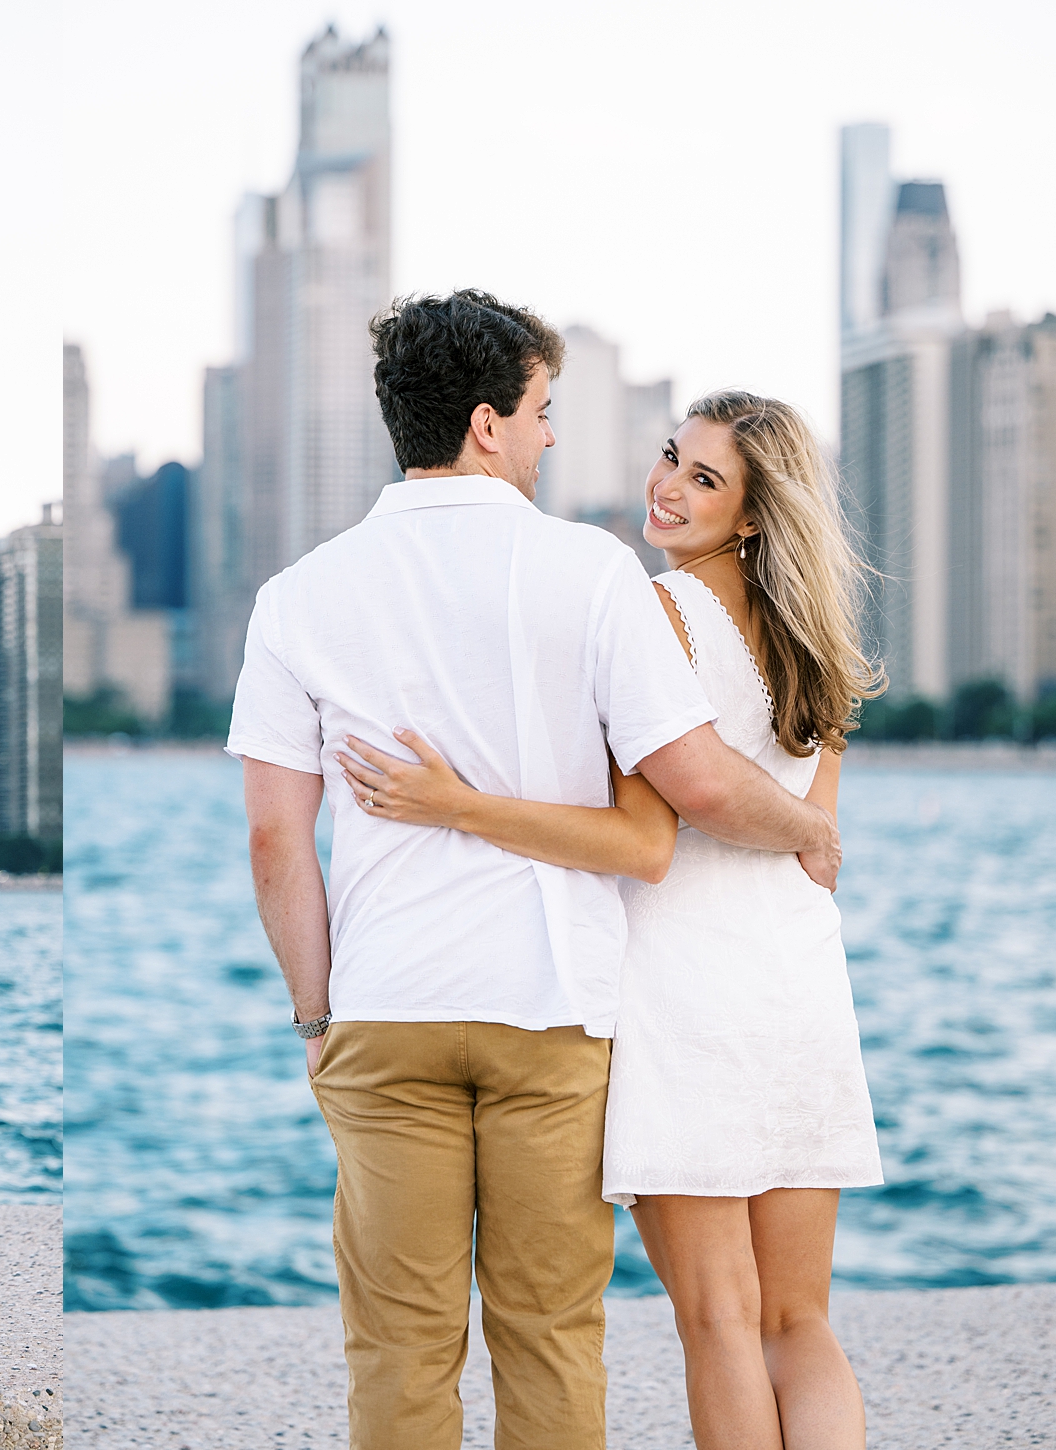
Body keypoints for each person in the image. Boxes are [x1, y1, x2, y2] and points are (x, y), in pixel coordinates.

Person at [228, 290, 841, 1450]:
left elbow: (274, 841)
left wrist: (313, 1016)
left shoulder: (296, 595)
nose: (552, 434)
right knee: (550, 1333)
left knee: (399, 1346)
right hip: (554, 1012)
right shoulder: (592, 573)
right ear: (484, 424)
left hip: (384, 1005)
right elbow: (692, 785)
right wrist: (809, 829)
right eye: (542, 410)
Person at [344, 390, 884, 1448]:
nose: (666, 488)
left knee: (719, 1318)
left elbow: (640, 829)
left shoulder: (655, 612)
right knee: (797, 1319)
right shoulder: (817, 647)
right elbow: (813, 843)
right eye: (670, 458)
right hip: (799, 987)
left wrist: (456, 807)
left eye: (702, 479)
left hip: (684, 993)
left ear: (751, 515)